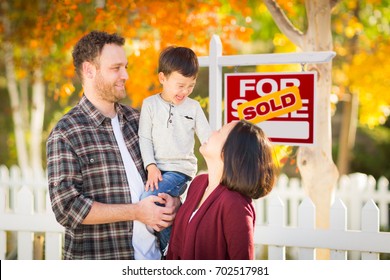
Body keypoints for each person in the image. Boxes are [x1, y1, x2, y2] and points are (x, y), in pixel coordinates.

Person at [46, 30, 180, 260]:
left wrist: (174, 201)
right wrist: (137, 212)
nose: (125, 75)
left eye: (125, 67)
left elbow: (169, 171)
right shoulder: (66, 133)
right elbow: (67, 208)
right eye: (116, 68)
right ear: (89, 70)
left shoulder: (139, 121)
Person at [166, 120, 277, 260]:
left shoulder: (235, 205)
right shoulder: (198, 183)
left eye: (219, 132)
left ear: (229, 151)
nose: (211, 133)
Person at [138, 46, 212, 255]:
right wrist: (150, 166)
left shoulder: (193, 107)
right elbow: (144, 138)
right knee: (155, 202)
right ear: (163, 78)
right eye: (180, 85)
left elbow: (207, 137)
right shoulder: (150, 105)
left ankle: (170, 247)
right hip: (157, 170)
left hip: (180, 171)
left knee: (150, 196)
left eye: (190, 86)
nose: (185, 92)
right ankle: (172, 246)